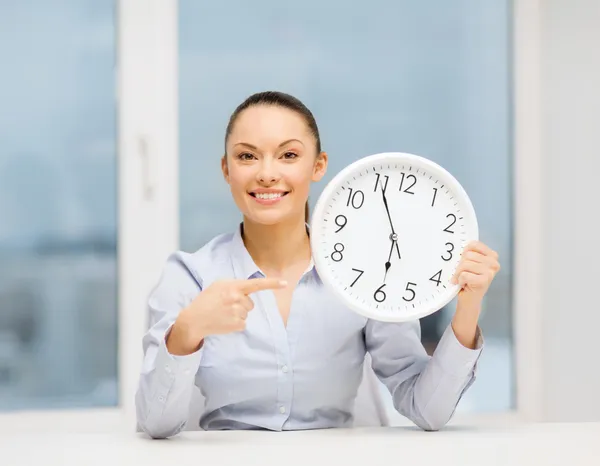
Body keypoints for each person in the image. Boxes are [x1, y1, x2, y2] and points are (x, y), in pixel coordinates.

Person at [135, 91, 501, 438]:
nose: (266, 173)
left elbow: (427, 409)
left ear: (318, 165)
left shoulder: (368, 275)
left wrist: (467, 308)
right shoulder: (190, 276)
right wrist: (187, 331)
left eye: (288, 155)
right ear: (226, 169)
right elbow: (156, 424)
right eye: (247, 156)